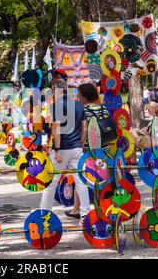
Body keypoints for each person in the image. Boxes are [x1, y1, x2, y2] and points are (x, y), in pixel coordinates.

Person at [40, 79, 90, 224]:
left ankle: (44, 214)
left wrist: (56, 149)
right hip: (76, 149)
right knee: (81, 182)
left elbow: (56, 129)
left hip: (62, 149)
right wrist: (80, 142)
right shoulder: (79, 105)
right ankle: (85, 214)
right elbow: (85, 128)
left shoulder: (55, 107)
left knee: (51, 182)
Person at [64, 83, 110, 219]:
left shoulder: (82, 111)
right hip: (104, 150)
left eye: (79, 95)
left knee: (80, 177)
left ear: (84, 97)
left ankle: (79, 209)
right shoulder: (104, 109)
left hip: (87, 150)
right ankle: (80, 208)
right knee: (102, 178)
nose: (77, 98)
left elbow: (79, 131)